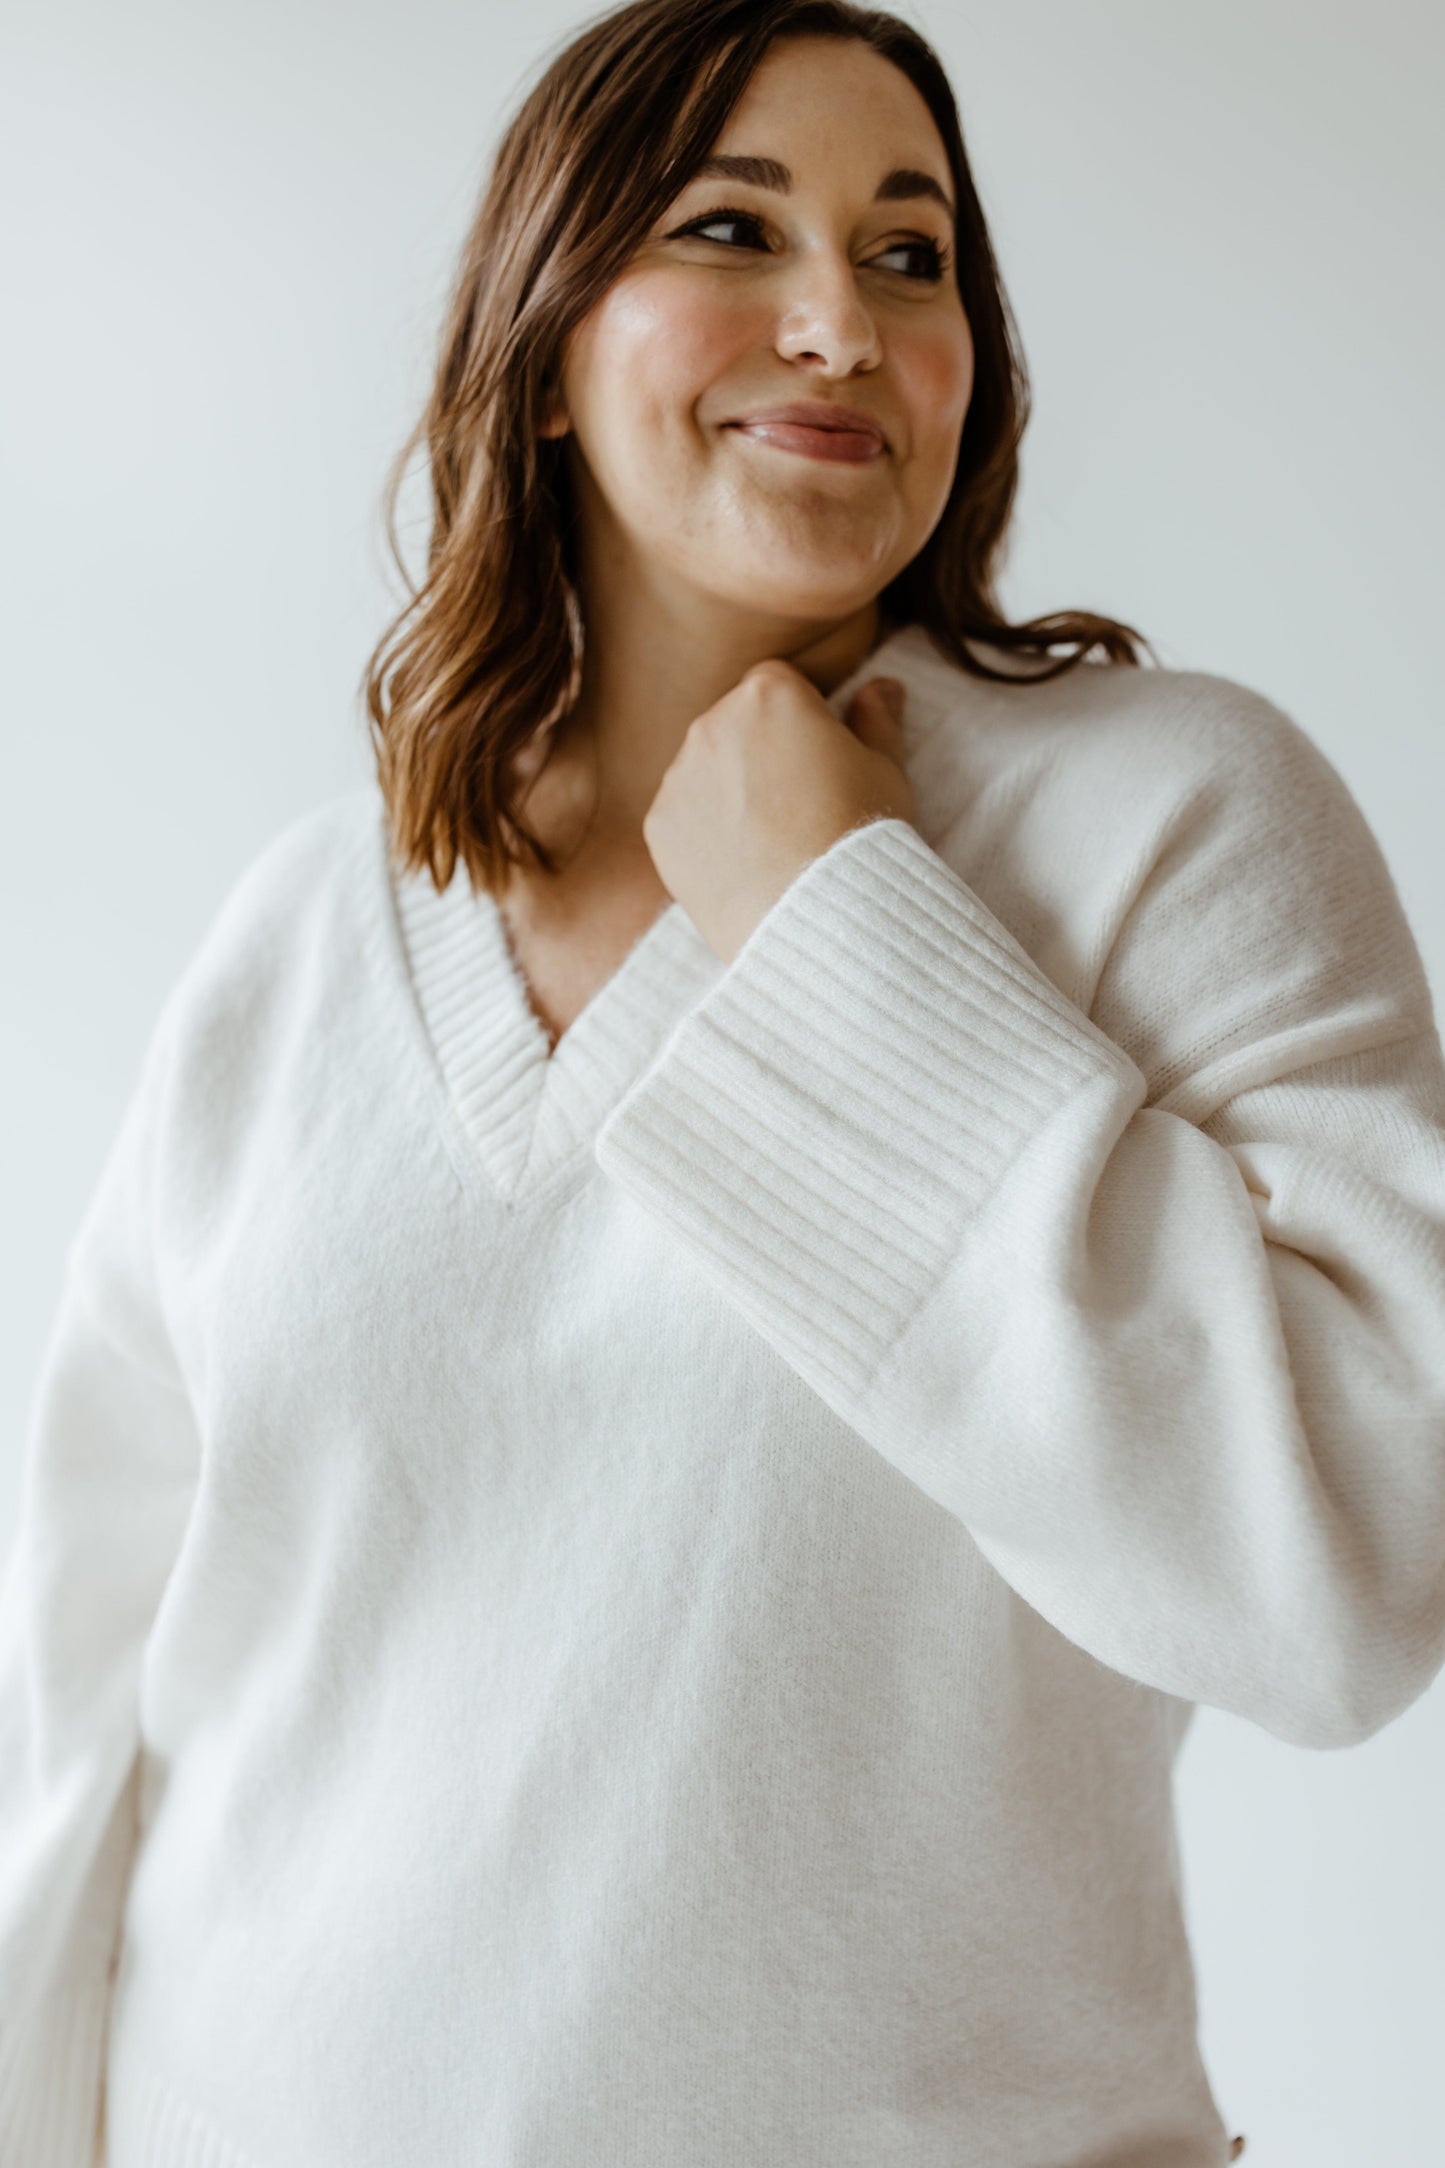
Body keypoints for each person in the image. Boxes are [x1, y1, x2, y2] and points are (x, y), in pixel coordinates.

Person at [2, 1, 1440, 2161]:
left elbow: (1346, 1574)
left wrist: (841, 927)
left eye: (909, 252)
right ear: (550, 330)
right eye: (730, 225)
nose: (836, 325)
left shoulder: (1169, 821)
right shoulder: (304, 934)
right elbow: (76, 1685)